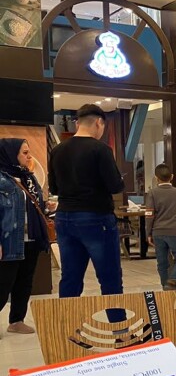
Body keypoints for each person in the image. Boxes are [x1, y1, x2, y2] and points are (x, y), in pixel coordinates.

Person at [49, 104, 125, 298]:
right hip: (96, 218)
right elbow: (115, 186)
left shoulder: (58, 150)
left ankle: (67, 326)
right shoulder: (100, 149)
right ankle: (118, 326)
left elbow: (54, 188)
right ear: (99, 122)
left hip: (64, 217)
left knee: (70, 277)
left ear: (78, 123)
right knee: (110, 278)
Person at [0, 139, 53, 337]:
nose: (29, 157)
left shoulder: (28, 177)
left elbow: (34, 204)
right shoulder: (2, 179)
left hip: (30, 238)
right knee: (4, 282)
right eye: (24, 152)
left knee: (25, 281)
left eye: (29, 152)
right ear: (10, 154)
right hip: (9, 239)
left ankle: (16, 320)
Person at [145, 163, 176, 290]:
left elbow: (149, 214)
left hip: (157, 232)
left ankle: (165, 286)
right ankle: (173, 280)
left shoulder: (152, 193)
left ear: (156, 178)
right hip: (174, 231)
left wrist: (148, 233)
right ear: (172, 177)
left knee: (162, 262)